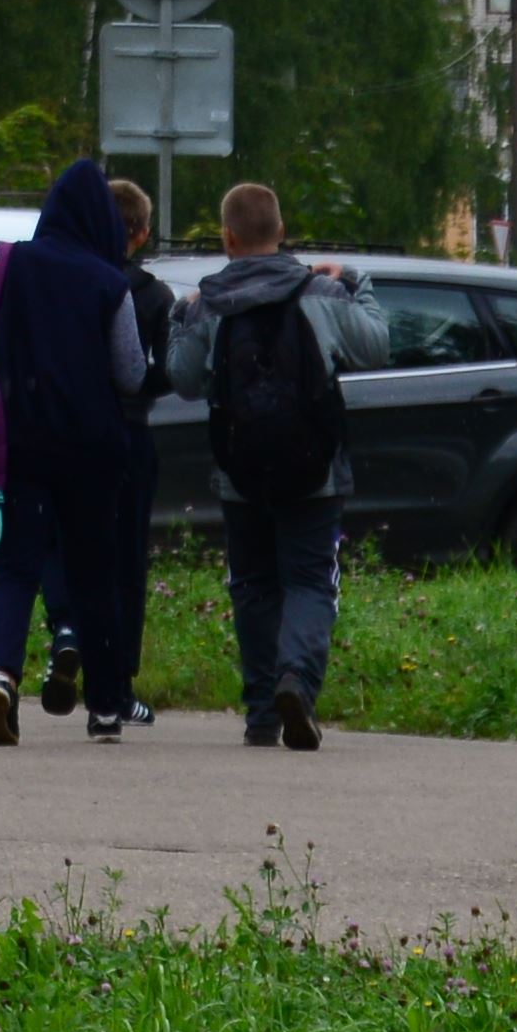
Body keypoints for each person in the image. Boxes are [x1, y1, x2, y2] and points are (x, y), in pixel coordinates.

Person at [0, 159, 155, 747]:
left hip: (19, 443)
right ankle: (105, 708)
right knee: (94, 574)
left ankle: (1, 676)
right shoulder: (109, 282)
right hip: (91, 453)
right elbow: (130, 374)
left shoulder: (6, 264)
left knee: (15, 566)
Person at [193, 179, 356, 751]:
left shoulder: (210, 303)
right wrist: (357, 285)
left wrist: (182, 320)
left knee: (254, 584)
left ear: (228, 238)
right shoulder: (319, 295)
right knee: (311, 580)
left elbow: (185, 378)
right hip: (315, 468)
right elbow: (379, 343)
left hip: (240, 472)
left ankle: (263, 712)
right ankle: (297, 680)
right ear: (281, 233)